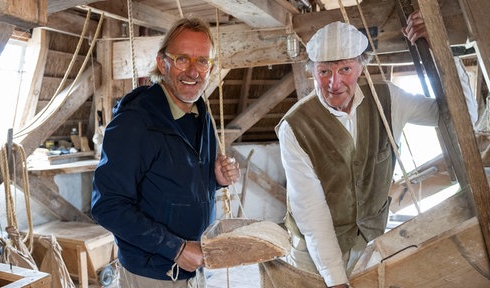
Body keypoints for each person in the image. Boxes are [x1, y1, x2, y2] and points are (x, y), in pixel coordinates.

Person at [267, 11, 477, 288]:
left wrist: (439, 46)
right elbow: (312, 212)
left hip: (370, 244)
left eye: (345, 69)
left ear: (361, 67)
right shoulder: (295, 127)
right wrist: (336, 280)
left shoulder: (389, 99)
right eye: (324, 71)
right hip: (314, 256)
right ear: (313, 71)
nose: (334, 83)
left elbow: (465, 118)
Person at [91, 17, 240, 287]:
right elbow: (107, 206)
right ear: (163, 63)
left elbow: (172, 186)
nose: (193, 71)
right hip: (151, 273)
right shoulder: (134, 123)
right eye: (182, 59)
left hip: (194, 268)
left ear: (211, 67)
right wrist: (176, 248)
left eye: (202, 61)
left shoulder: (201, 116)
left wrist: (213, 180)